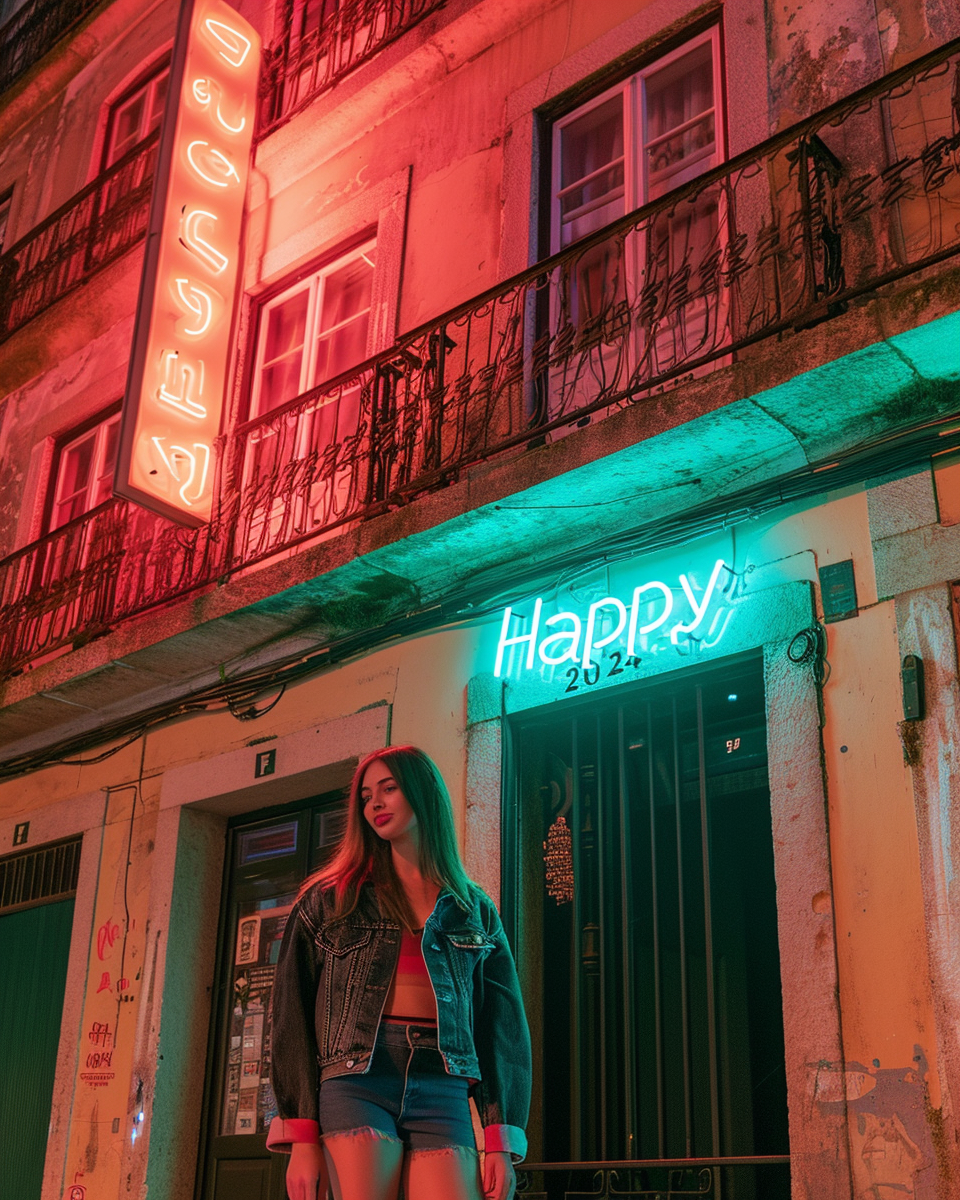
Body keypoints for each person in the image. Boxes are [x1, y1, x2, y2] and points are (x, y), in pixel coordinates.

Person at [267, 745, 531, 1200]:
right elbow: (289, 1019)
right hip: (357, 1079)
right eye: (367, 795)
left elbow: (502, 1030)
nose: (376, 804)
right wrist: (302, 1136)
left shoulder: (473, 911)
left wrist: (499, 1143)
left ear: (424, 794)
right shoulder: (331, 900)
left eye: (389, 789)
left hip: (442, 1082)